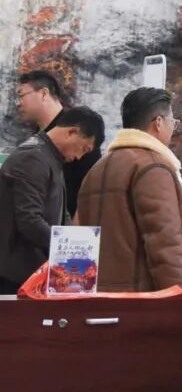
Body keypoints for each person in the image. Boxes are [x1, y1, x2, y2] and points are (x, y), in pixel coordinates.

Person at [76, 88, 182, 291]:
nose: (173, 128)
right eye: (172, 122)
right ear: (158, 122)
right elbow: (166, 244)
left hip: (100, 295)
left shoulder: (97, 169)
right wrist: (177, 299)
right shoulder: (153, 167)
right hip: (141, 298)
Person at [0, 107, 104, 293]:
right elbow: (29, 219)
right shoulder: (32, 158)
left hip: (29, 271)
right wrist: (69, 249)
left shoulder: (49, 157)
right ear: (72, 132)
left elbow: (60, 212)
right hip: (14, 275)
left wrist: (73, 238)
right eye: (84, 149)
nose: (79, 157)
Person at [16, 70, 100, 217]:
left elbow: (92, 191)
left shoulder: (81, 131)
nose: (18, 103)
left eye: (21, 95)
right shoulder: (36, 136)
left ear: (43, 94)